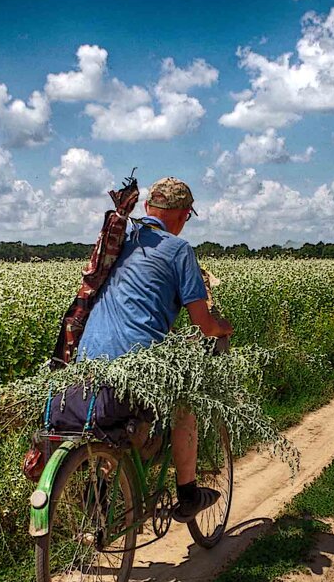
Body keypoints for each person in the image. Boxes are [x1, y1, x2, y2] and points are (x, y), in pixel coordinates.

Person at [77, 176, 234, 521]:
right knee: (185, 404)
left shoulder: (120, 241)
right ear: (181, 215)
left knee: (116, 420)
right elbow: (202, 324)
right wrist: (223, 327)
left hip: (86, 358)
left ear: (148, 208)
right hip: (135, 363)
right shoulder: (179, 250)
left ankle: (102, 497)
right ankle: (188, 493)